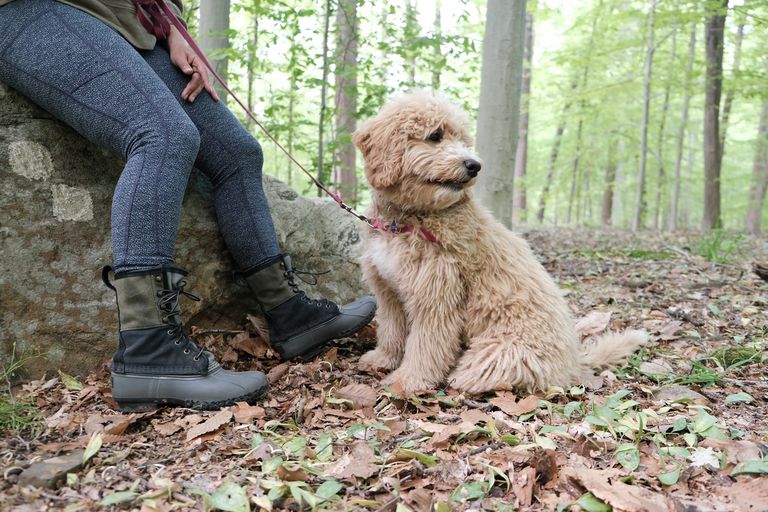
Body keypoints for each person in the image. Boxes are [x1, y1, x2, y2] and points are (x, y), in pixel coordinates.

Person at [0, 0, 376, 411]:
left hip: (130, 22)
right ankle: (148, 350)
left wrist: (174, 25)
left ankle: (291, 315)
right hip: (36, 8)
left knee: (238, 153)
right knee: (163, 135)